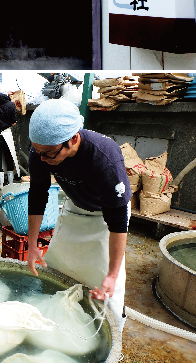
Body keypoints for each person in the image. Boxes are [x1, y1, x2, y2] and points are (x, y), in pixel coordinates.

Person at [26, 99, 132, 332]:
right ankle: (58, 325)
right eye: (37, 152)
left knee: (107, 289)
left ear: (73, 139)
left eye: (49, 154)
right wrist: (32, 243)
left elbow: (117, 222)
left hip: (107, 214)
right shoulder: (42, 150)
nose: (42, 159)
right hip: (75, 206)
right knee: (58, 267)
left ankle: (113, 339)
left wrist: (112, 275)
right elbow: (37, 195)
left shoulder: (104, 157)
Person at [0, 91, 20, 189]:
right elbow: (14, 122)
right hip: (6, 134)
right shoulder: (11, 105)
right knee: (9, 158)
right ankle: (10, 184)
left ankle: (0, 184)